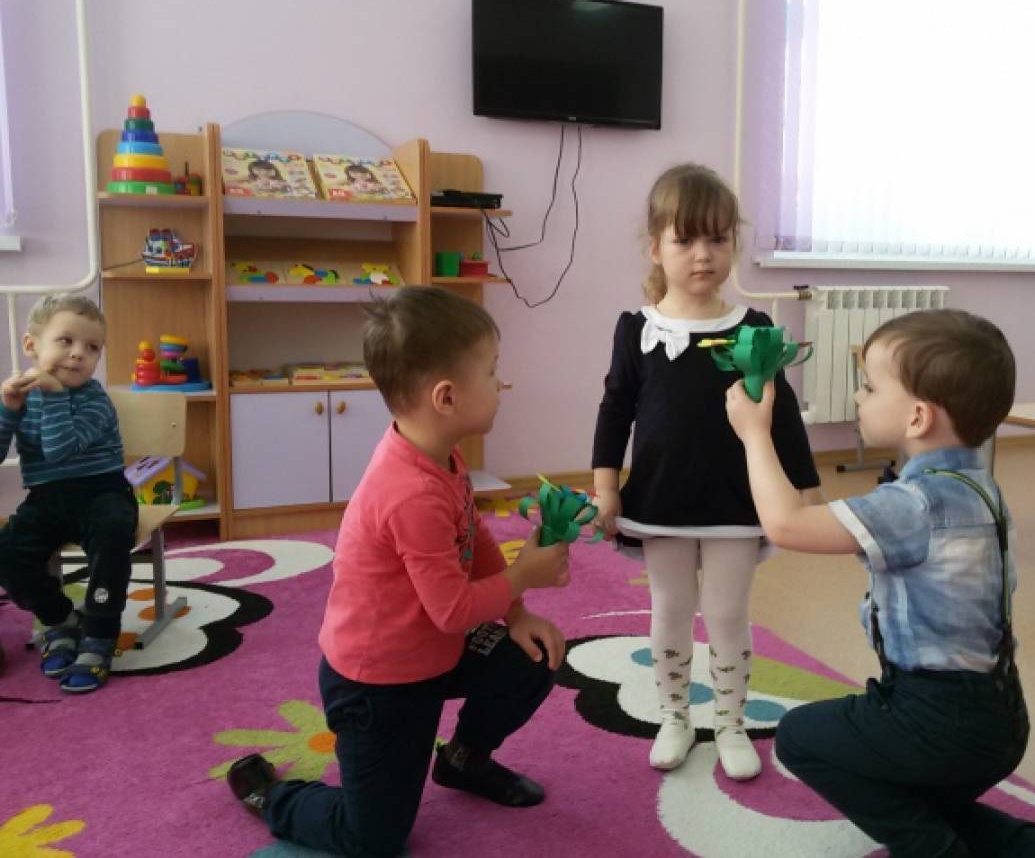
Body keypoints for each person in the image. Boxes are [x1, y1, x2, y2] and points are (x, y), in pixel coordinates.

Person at [226, 286, 571, 858]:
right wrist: (522, 577)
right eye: (492, 371)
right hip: (379, 684)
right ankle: (274, 797)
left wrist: (517, 612)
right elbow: (454, 610)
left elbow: (475, 536)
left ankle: (463, 760)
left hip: (435, 651)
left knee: (533, 656)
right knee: (373, 839)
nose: (501, 384)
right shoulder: (409, 492)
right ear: (446, 397)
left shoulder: (443, 454)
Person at [725, 308, 1035, 857]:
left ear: (917, 417)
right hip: (998, 716)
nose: (857, 397)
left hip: (937, 719)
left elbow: (786, 525)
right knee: (935, 808)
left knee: (800, 738)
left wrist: (754, 434)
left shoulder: (916, 503)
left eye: (868, 387)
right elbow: (847, 528)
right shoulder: (977, 486)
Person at [591, 163, 823, 781]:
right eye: (685, 239)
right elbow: (615, 407)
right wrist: (606, 485)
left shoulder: (754, 329)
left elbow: (782, 412)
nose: (703, 254)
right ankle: (675, 717)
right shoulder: (637, 329)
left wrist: (805, 487)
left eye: (717, 239)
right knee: (669, 608)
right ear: (656, 247)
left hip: (734, 502)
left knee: (725, 613)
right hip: (661, 499)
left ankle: (730, 722)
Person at [0, 293, 138, 694]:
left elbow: (59, 450)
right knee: (8, 554)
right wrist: (8, 408)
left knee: (112, 535)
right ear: (32, 345)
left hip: (103, 493)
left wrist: (55, 395)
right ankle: (60, 619)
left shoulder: (95, 400)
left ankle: (100, 633)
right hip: (47, 498)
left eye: (92, 348)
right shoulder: (23, 394)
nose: (79, 354)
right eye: (66, 341)